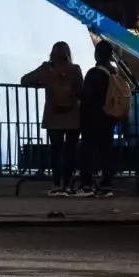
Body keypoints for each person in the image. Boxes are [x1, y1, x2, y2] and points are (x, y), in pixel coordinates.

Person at [20, 41, 84, 195]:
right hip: (73, 117)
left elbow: (24, 80)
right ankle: (67, 184)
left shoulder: (46, 68)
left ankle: (56, 184)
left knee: (56, 151)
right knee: (70, 151)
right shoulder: (75, 69)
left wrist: (42, 84)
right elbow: (81, 90)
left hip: (53, 116)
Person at [80, 40, 121, 197]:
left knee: (88, 151)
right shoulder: (113, 73)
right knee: (106, 151)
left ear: (96, 54)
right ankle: (106, 185)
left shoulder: (94, 73)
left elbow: (88, 97)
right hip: (108, 118)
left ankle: (87, 185)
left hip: (92, 118)